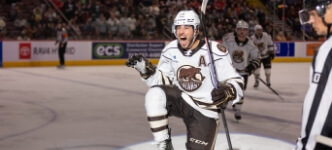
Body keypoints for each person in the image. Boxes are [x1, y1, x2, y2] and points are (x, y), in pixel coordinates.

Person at [126, 10, 244, 150]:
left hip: (205, 109)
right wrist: (146, 70)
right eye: (178, 27)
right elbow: (160, 82)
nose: (181, 32)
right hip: (182, 100)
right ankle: (164, 144)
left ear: (196, 30)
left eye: (186, 27)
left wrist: (228, 90)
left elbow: (236, 81)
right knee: (155, 94)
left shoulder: (214, 50)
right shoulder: (170, 50)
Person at [295, 0, 332, 149]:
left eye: (313, 14)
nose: (310, 21)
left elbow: (319, 111)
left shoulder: (328, 50)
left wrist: (306, 146)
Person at [222, 20, 260, 121]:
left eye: (244, 30)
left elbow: (256, 58)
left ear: (247, 31)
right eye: (240, 29)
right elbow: (221, 54)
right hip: (229, 72)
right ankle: (227, 101)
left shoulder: (250, 44)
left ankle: (238, 109)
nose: (242, 32)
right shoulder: (229, 41)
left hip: (243, 72)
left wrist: (251, 67)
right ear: (236, 30)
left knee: (240, 91)